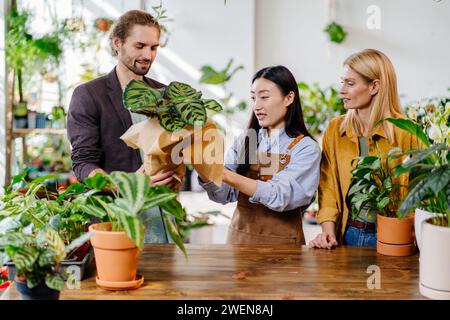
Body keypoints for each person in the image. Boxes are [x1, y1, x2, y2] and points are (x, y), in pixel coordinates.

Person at [67, 10, 179, 242]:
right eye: (140, 46)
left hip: (163, 219)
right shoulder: (89, 95)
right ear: (117, 43)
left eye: (154, 47)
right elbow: (83, 164)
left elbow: (174, 151)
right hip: (118, 221)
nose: (148, 55)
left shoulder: (166, 94)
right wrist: (129, 185)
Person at [309, 49, 420, 249]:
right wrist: (327, 232)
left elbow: (421, 190)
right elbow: (327, 186)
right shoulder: (335, 129)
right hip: (348, 234)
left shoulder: (407, 131)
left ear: (374, 86)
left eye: (350, 83)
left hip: (394, 236)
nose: (341, 90)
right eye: (342, 82)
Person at [198, 66, 321, 245]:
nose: (257, 106)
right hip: (238, 242)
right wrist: (202, 166)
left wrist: (224, 174)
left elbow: (279, 196)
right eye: (253, 98)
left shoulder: (305, 148)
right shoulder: (245, 142)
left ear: (289, 98)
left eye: (264, 97)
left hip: (283, 249)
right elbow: (223, 195)